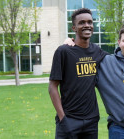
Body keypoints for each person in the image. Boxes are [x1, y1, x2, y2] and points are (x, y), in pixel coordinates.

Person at [48, 8, 108, 139]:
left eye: (90, 22)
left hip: (91, 121)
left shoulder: (96, 50)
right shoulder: (63, 51)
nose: (87, 25)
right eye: (82, 23)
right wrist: (62, 118)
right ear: (74, 28)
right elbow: (52, 86)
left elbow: (120, 56)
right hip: (69, 119)